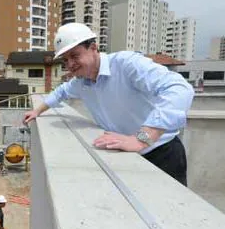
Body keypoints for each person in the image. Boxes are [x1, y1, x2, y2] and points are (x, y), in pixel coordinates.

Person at [24, 23, 194, 186]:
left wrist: (142, 139)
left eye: (75, 56)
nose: (69, 64)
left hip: (162, 154)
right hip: (125, 154)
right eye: (65, 60)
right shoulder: (81, 82)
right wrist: (37, 111)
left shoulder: (125, 64)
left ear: (93, 48)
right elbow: (60, 92)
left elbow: (179, 89)